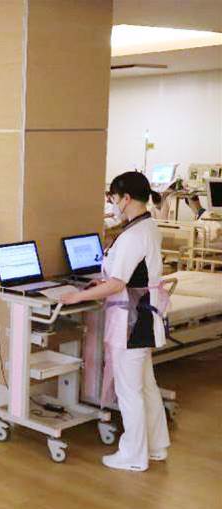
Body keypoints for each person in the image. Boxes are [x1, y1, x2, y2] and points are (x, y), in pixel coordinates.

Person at [60, 171, 170, 472]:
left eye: (113, 198)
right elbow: (127, 275)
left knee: (129, 391)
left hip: (132, 322)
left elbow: (117, 284)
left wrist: (77, 297)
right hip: (144, 315)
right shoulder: (147, 226)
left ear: (126, 198)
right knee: (146, 385)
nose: (112, 204)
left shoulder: (133, 236)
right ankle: (156, 446)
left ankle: (133, 456)